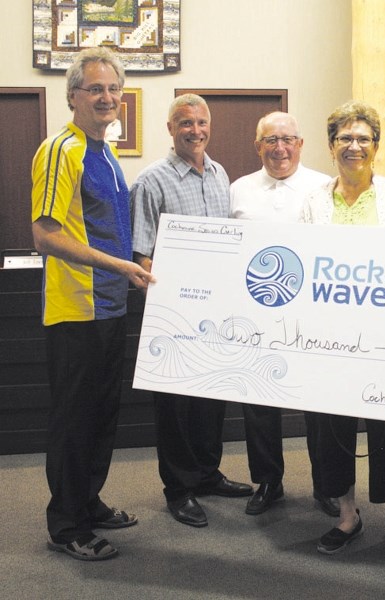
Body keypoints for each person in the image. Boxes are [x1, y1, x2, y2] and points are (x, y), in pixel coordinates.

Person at [31, 47, 154, 561]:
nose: (107, 98)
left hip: (110, 306)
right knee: (74, 418)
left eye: (113, 90)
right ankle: (67, 524)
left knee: (103, 414)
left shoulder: (105, 150)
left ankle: (89, 501)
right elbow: (44, 234)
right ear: (73, 96)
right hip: (76, 309)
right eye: (96, 89)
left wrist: (128, 267)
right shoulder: (62, 149)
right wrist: (120, 265)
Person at [301, 100, 385, 559]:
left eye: (363, 138)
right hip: (329, 337)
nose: (354, 146)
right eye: (344, 138)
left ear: (376, 146)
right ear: (332, 147)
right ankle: (347, 515)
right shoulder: (313, 200)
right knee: (332, 428)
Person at [131, 93, 253, 528]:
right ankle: (179, 489)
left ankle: (206, 474)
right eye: (186, 123)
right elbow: (140, 254)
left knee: (210, 399)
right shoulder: (152, 181)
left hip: (216, 312)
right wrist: (166, 306)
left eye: (202, 122)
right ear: (170, 129)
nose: (195, 130)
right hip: (173, 316)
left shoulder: (220, 174)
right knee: (177, 407)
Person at [229, 111, 338, 517]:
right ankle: (268, 481)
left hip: (311, 315)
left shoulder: (323, 188)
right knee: (258, 403)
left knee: (319, 404)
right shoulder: (238, 190)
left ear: (301, 143)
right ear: (258, 146)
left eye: (288, 139)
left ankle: (327, 486)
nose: (280, 148)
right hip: (255, 314)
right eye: (270, 140)